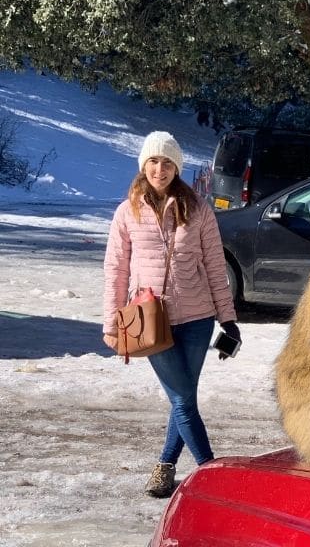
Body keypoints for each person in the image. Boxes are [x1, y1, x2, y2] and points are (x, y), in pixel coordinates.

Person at [102, 131, 240, 498]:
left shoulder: (198, 209)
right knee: (182, 399)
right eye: (152, 161)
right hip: (148, 318)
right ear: (143, 165)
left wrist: (228, 320)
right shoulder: (126, 211)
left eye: (166, 162)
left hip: (197, 318)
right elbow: (115, 269)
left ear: (176, 168)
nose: (159, 169)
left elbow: (214, 267)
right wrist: (111, 320)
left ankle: (165, 466)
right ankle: (212, 474)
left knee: (184, 399)